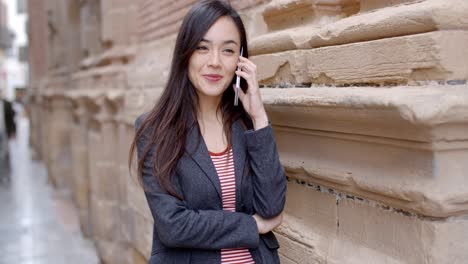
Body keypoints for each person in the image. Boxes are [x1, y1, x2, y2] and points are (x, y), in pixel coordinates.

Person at [129, 1, 286, 263]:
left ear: (241, 60)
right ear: (185, 53)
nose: (215, 62)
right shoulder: (156, 130)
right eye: (202, 48)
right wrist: (252, 226)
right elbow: (173, 225)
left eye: (228, 50)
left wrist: (259, 116)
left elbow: (271, 208)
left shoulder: (247, 126)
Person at [0, 89, 16, 180]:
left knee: (5, 152)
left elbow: (11, 119)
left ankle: (6, 173)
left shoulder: (7, 104)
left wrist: (13, 131)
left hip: (4, 131)